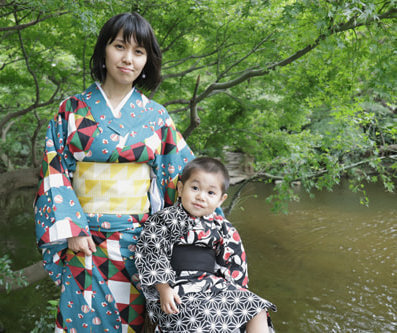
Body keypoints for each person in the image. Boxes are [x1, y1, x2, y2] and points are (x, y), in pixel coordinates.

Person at [34, 12, 194, 333]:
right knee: (81, 321)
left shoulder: (156, 117)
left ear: (147, 60)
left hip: (137, 244)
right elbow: (55, 173)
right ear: (103, 52)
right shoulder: (71, 110)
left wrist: (206, 223)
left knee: (131, 323)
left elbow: (180, 180)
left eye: (138, 52)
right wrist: (73, 230)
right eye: (119, 46)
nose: (127, 59)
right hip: (84, 240)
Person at [135, 157, 277, 333]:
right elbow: (151, 252)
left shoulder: (222, 226)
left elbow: (234, 264)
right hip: (175, 289)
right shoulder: (164, 219)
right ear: (180, 189)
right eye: (195, 188)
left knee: (256, 307)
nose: (201, 197)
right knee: (202, 317)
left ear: (220, 200)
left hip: (211, 287)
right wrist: (163, 289)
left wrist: (237, 292)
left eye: (211, 193)